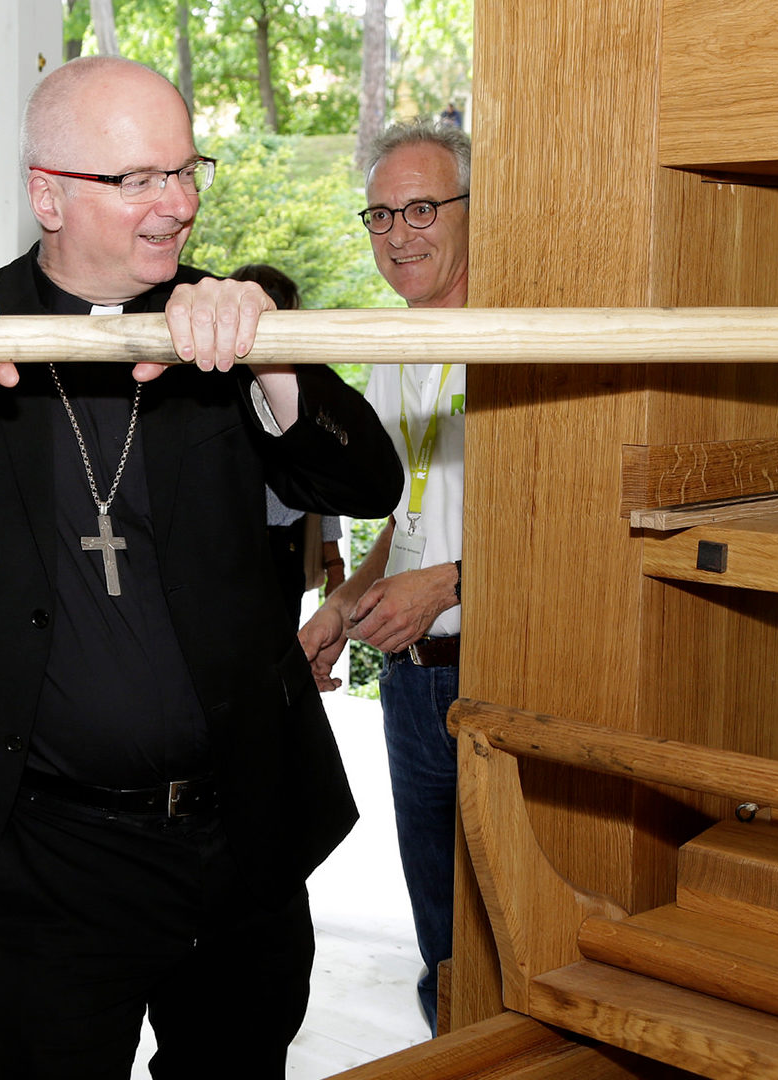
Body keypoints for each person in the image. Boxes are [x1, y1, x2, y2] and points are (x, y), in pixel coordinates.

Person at [0, 55, 403, 1079]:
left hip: (242, 832)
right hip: (52, 856)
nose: (180, 204)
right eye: (140, 181)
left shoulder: (230, 322)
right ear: (48, 196)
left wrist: (277, 360)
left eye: (186, 170)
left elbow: (367, 483)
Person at [299, 116, 470, 1034]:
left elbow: (573, 527)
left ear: (474, 213)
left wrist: (449, 584)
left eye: (421, 208)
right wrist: (346, 600)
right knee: (438, 939)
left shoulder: (522, 340)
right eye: (379, 215)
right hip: (408, 689)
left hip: (499, 673)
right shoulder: (390, 346)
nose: (399, 233)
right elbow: (404, 526)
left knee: (511, 932)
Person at [228, 262, 347, 633]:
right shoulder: (217, 386)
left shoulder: (306, 384)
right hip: (231, 549)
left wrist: (335, 565)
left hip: (288, 549)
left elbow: (322, 475)